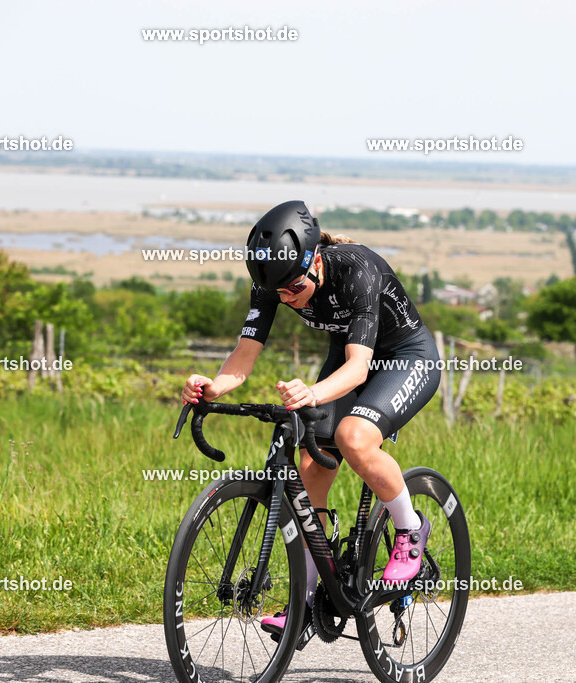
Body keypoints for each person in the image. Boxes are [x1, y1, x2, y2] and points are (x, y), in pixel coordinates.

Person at [181, 200, 441, 637]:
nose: (286, 298)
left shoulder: (358, 269)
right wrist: (213, 386)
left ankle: (410, 530)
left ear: (315, 260)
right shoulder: (274, 279)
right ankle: (304, 601)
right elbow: (244, 358)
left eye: (294, 290)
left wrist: (311, 393)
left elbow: (360, 369)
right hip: (348, 356)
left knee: (354, 438)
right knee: (312, 463)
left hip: (405, 358)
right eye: (278, 293)